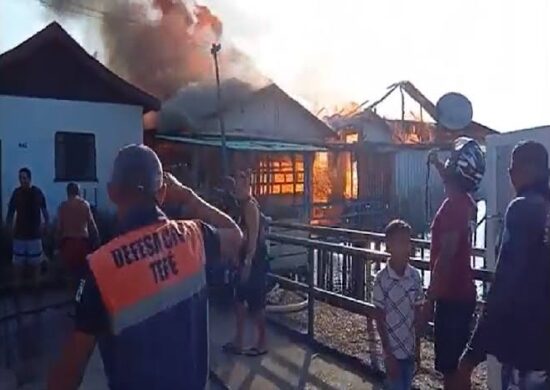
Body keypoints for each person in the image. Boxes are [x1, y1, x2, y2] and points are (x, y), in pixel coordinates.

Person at [47, 144, 242, 390]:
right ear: (162, 194)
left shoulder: (99, 269)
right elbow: (236, 236)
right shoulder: (194, 236)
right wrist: (188, 195)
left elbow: (68, 374)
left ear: (112, 193)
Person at [455, 141, 550, 390]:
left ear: (528, 169)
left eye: (512, 168)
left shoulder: (522, 209)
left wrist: (472, 353)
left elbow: (505, 286)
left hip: (529, 355)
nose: (509, 174)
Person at [426, 137, 485, 389]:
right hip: (462, 295)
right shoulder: (464, 202)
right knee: (457, 366)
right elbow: (452, 182)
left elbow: (446, 257)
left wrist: (429, 299)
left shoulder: (452, 207)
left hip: (451, 297)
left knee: (451, 371)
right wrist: (439, 164)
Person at [373, 220, 424, 390]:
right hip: (392, 352)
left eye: (408, 242)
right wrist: (387, 354)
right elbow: (379, 318)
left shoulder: (415, 277)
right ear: (389, 246)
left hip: (409, 351)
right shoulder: (381, 279)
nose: (406, 248)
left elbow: (417, 315)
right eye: (400, 242)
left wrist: (417, 350)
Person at [223, 170, 269, 357]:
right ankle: (239, 340)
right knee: (239, 301)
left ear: (247, 185)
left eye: (241, 184)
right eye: (236, 184)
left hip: (254, 259)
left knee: (255, 304)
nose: (238, 188)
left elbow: (253, 236)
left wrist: (248, 262)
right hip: (243, 258)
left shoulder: (250, 206)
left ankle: (262, 342)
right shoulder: (238, 206)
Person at [6, 167, 49, 290]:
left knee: (36, 265)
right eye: (20, 178)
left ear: (29, 179)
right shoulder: (17, 193)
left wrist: (45, 225)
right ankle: (17, 291)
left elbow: (44, 211)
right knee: (17, 265)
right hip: (20, 235)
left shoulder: (37, 193)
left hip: (34, 235)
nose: (22, 181)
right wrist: (9, 228)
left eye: (24, 178)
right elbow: (10, 212)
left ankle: (36, 290)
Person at [57, 182, 100, 286]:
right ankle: (79, 295)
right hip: (82, 242)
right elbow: (92, 224)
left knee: (70, 272)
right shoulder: (84, 205)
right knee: (83, 274)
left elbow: (59, 227)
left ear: (67, 192)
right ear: (78, 192)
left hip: (68, 242)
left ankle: (72, 294)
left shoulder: (63, 206)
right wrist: (97, 239)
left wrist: (57, 244)